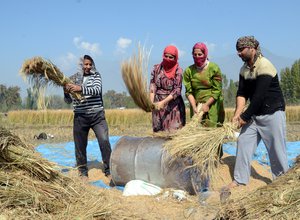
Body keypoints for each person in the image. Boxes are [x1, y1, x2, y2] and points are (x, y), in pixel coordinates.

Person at [224, 36, 289, 191]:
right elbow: (241, 94)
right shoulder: (244, 69)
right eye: (237, 50)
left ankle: (282, 182)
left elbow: (259, 97)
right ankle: (240, 180)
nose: (238, 53)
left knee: (276, 149)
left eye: (241, 50)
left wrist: (244, 118)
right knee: (243, 141)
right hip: (255, 115)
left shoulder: (264, 65)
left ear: (252, 48)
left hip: (272, 113)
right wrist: (237, 114)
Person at [63, 55, 112, 178]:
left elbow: (96, 90)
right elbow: (68, 101)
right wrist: (65, 91)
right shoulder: (73, 79)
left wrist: (79, 88)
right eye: (86, 64)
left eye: (90, 64)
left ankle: (109, 170)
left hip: (97, 116)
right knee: (79, 145)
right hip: (80, 117)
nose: (88, 67)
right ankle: (83, 172)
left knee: (104, 140)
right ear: (81, 65)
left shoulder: (96, 76)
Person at [183, 42, 225, 157]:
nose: (197, 57)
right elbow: (189, 92)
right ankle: (200, 157)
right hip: (196, 104)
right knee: (197, 130)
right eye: (195, 54)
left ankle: (214, 158)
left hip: (212, 103)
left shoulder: (213, 68)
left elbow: (217, 90)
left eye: (200, 54)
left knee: (212, 130)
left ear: (205, 53)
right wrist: (194, 107)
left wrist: (207, 105)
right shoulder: (188, 71)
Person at [149, 45, 186, 132]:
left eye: (171, 57)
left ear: (176, 57)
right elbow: (152, 86)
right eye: (166, 56)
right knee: (158, 133)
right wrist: (151, 102)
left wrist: (163, 102)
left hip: (173, 107)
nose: (168, 59)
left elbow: (177, 90)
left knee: (172, 134)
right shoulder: (156, 68)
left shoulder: (178, 71)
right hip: (158, 105)